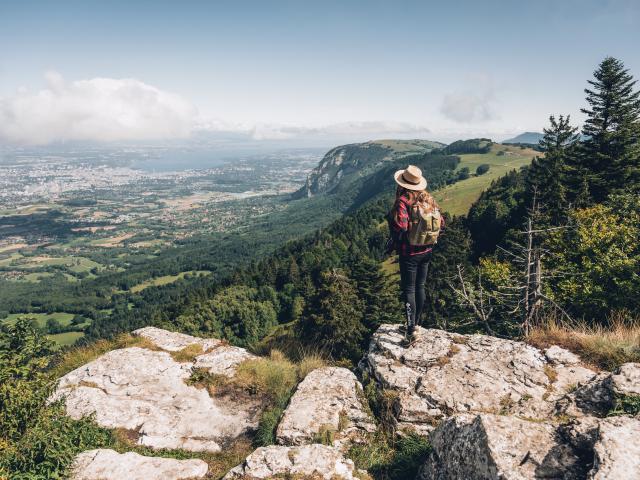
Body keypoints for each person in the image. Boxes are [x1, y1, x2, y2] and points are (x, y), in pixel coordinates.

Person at [388, 165, 444, 341]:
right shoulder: (428, 199)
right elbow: (441, 223)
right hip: (427, 250)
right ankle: (417, 324)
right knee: (420, 287)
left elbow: (401, 226)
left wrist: (396, 240)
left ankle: (411, 329)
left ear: (403, 184)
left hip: (409, 254)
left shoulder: (403, 202)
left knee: (409, 289)